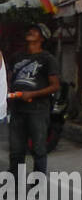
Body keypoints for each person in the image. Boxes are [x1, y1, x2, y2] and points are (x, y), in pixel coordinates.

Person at [8, 23, 60, 177]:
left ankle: (38, 185)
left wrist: (32, 94)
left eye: (35, 31)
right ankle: (14, 184)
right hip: (17, 110)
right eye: (30, 30)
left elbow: (55, 86)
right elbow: (9, 80)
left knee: (38, 149)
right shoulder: (16, 57)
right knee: (16, 150)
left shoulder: (47, 59)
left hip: (37, 110)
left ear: (42, 38)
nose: (30, 32)